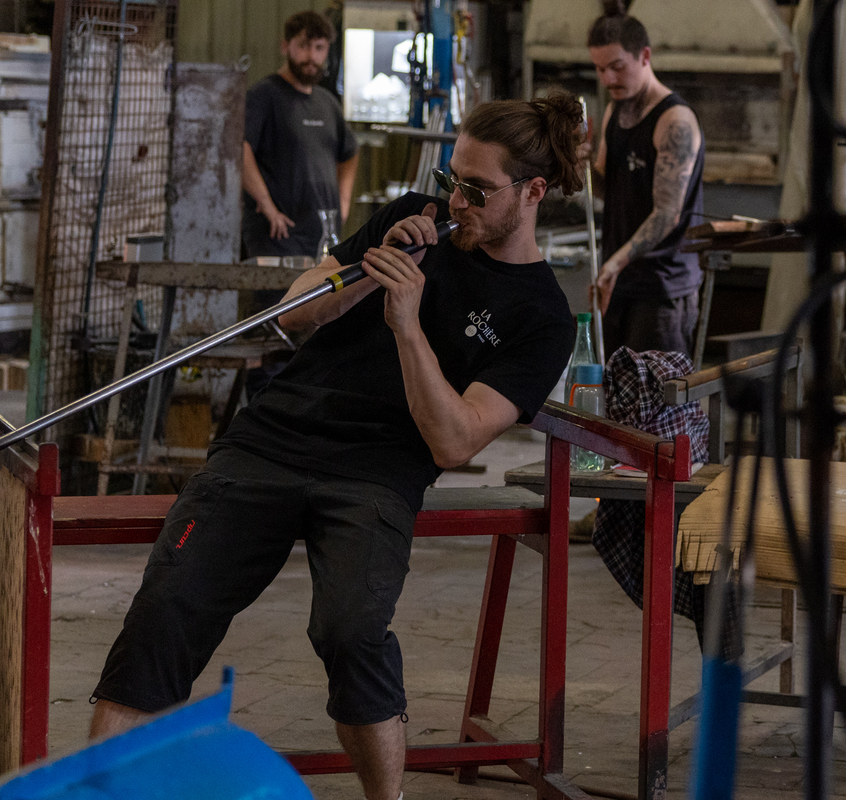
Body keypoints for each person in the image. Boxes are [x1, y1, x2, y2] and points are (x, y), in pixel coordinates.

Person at [88, 93, 583, 800]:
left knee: (351, 631)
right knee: (168, 606)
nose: (456, 201)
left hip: (376, 473)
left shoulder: (542, 317)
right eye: (451, 180)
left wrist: (407, 324)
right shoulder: (411, 220)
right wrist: (364, 270)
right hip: (271, 441)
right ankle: (94, 793)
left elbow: (453, 439)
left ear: (532, 192)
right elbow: (295, 314)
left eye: (476, 189)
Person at [588, 0, 705, 358]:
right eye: (600, 69)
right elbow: (610, 189)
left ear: (645, 56)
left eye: (617, 67)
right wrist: (581, 164)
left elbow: (667, 212)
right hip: (621, 281)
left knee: (654, 409)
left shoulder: (675, 120)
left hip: (662, 290)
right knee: (614, 406)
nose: (607, 79)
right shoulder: (615, 109)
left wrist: (615, 262)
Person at [242, 10, 359, 261]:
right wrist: (267, 205)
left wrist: (343, 204)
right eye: (304, 46)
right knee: (278, 302)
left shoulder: (327, 103)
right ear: (286, 46)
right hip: (278, 239)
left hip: (321, 240)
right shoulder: (264, 96)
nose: (311, 57)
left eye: (319, 48)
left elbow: (349, 152)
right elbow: (239, 149)